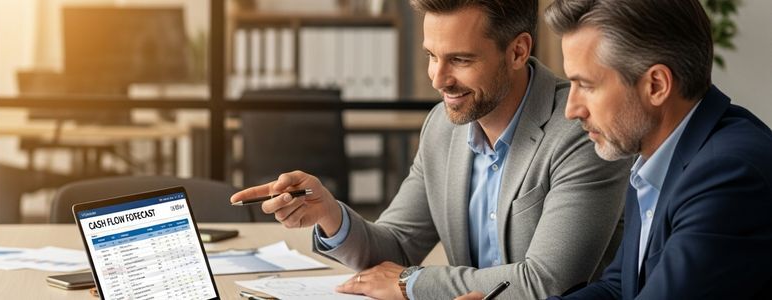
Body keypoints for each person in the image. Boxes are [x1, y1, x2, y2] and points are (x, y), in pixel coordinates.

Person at [230, 0, 632, 299]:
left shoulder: (579, 130)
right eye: (431, 57)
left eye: (459, 59)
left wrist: (411, 282)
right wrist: (331, 214)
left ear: (517, 51)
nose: (439, 80)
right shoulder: (442, 127)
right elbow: (398, 246)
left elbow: (545, 282)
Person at [530, 0, 771, 298]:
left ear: (656, 85)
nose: (571, 109)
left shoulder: (729, 174)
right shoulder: (655, 158)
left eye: (587, 86)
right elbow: (620, 288)